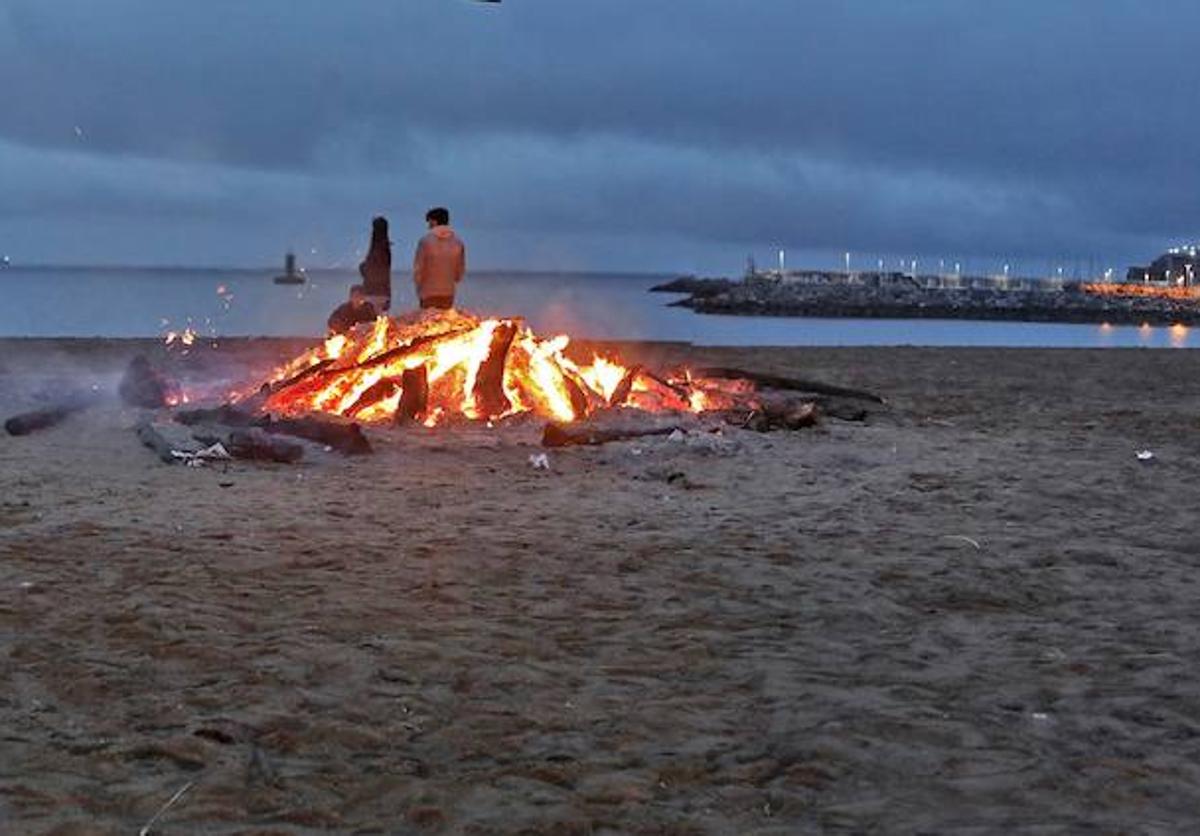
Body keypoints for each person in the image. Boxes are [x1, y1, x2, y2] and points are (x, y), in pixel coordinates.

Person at [412, 207, 466, 310]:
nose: (428, 226)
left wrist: (418, 288)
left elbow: (418, 268)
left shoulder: (425, 241)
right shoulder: (458, 242)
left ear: (434, 222)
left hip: (427, 292)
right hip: (448, 292)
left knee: (428, 323)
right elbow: (459, 273)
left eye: (429, 222)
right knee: (444, 323)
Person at [358, 216, 392, 312]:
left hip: (372, 292)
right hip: (383, 293)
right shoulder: (386, 248)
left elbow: (370, 270)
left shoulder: (376, 247)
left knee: (371, 323)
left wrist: (362, 267)